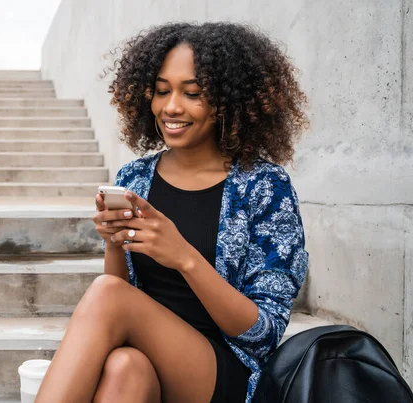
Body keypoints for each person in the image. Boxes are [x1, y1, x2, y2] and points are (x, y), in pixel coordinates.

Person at [35, 21, 310, 403]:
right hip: (148, 360)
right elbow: (125, 302)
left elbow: (263, 334)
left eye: (192, 93)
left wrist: (184, 257)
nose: (172, 107)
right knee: (123, 369)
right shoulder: (136, 178)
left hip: (225, 371)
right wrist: (115, 244)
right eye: (161, 91)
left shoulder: (264, 187)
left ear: (229, 101)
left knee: (108, 296)